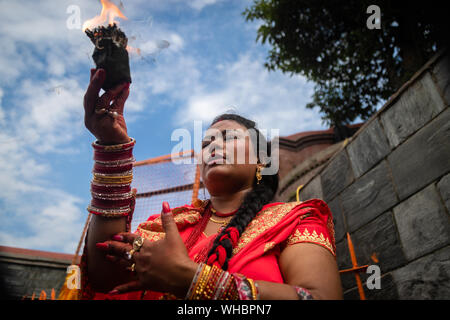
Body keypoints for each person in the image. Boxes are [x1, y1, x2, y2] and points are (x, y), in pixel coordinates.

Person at [80, 68, 343, 300]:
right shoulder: (168, 225)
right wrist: (112, 148)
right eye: (206, 143)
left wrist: (192, 280)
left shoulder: (295, 221)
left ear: (261, 161)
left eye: (228, 137)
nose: (213, 146)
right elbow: (105, 277)